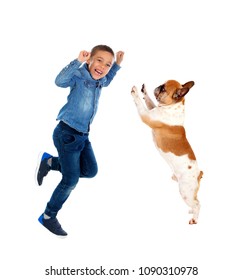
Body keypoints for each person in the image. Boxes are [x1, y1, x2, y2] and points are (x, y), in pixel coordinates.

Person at [35, 45, 124, 236]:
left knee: (90, 170)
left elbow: (108, 80)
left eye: (107, 64)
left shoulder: (101, 81)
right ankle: (48, 216)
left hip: (83, 135)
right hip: (66, 133)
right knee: (70, 179)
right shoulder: (79, 76)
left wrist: (117, 65)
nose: (103, 67)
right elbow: (59, 81)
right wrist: (77, 62)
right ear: (90, 59)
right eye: (99, 60)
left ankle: (50, 162)